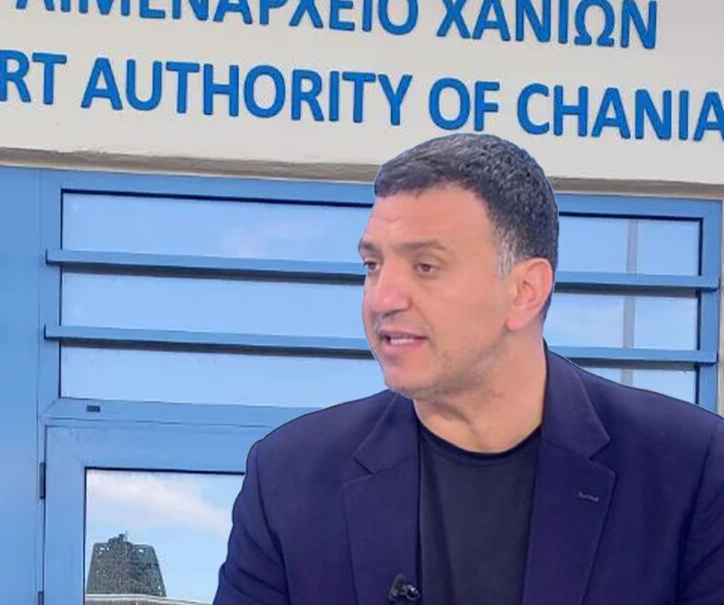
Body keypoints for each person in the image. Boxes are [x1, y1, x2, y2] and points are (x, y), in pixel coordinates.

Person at [212, 133, 724, 605]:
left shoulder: (691, 470)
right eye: (373, 266)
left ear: (524, 291)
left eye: (425, 266)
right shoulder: (288, 478)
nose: (383, 298)